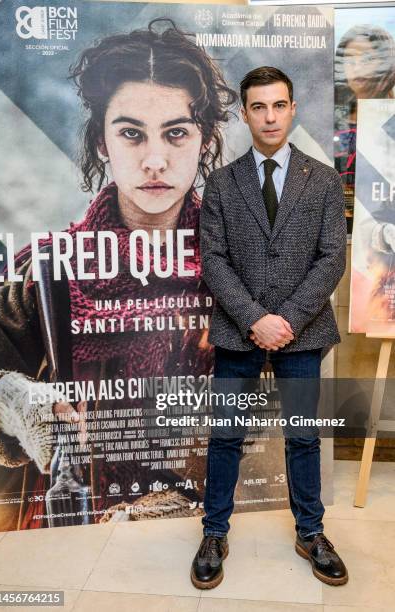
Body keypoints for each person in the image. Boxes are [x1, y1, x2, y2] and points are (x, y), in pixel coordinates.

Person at [0, 19, 238, 531]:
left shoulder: (237, 265)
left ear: (203, 142)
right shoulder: (49, 267)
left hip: (209, 525)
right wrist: (10, 400)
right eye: (130, 133)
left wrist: (186, 489)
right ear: (103, 144)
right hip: (67, 525)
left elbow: (281, 396)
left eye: (176, 133)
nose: (153, 159)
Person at [191, 67, 348, 589]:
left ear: (293, 108)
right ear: (244, 113)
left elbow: (331, 259)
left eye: (278, 105)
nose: (270, 116)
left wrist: (288, 320)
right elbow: (213, 260)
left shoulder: (323, 179)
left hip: (303, 333)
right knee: (225, 436)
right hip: (238, 332)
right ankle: (214, 534)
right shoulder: (220, 181)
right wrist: (255, 318)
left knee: (303, 437)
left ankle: (312, 533)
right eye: (258, 107)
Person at [334, 25, 395, 231]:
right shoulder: (334, 117)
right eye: (350, 60)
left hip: (382, 226)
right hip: (338, 224)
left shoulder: (391, 120)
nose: (358, 68)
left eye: (368, 59)